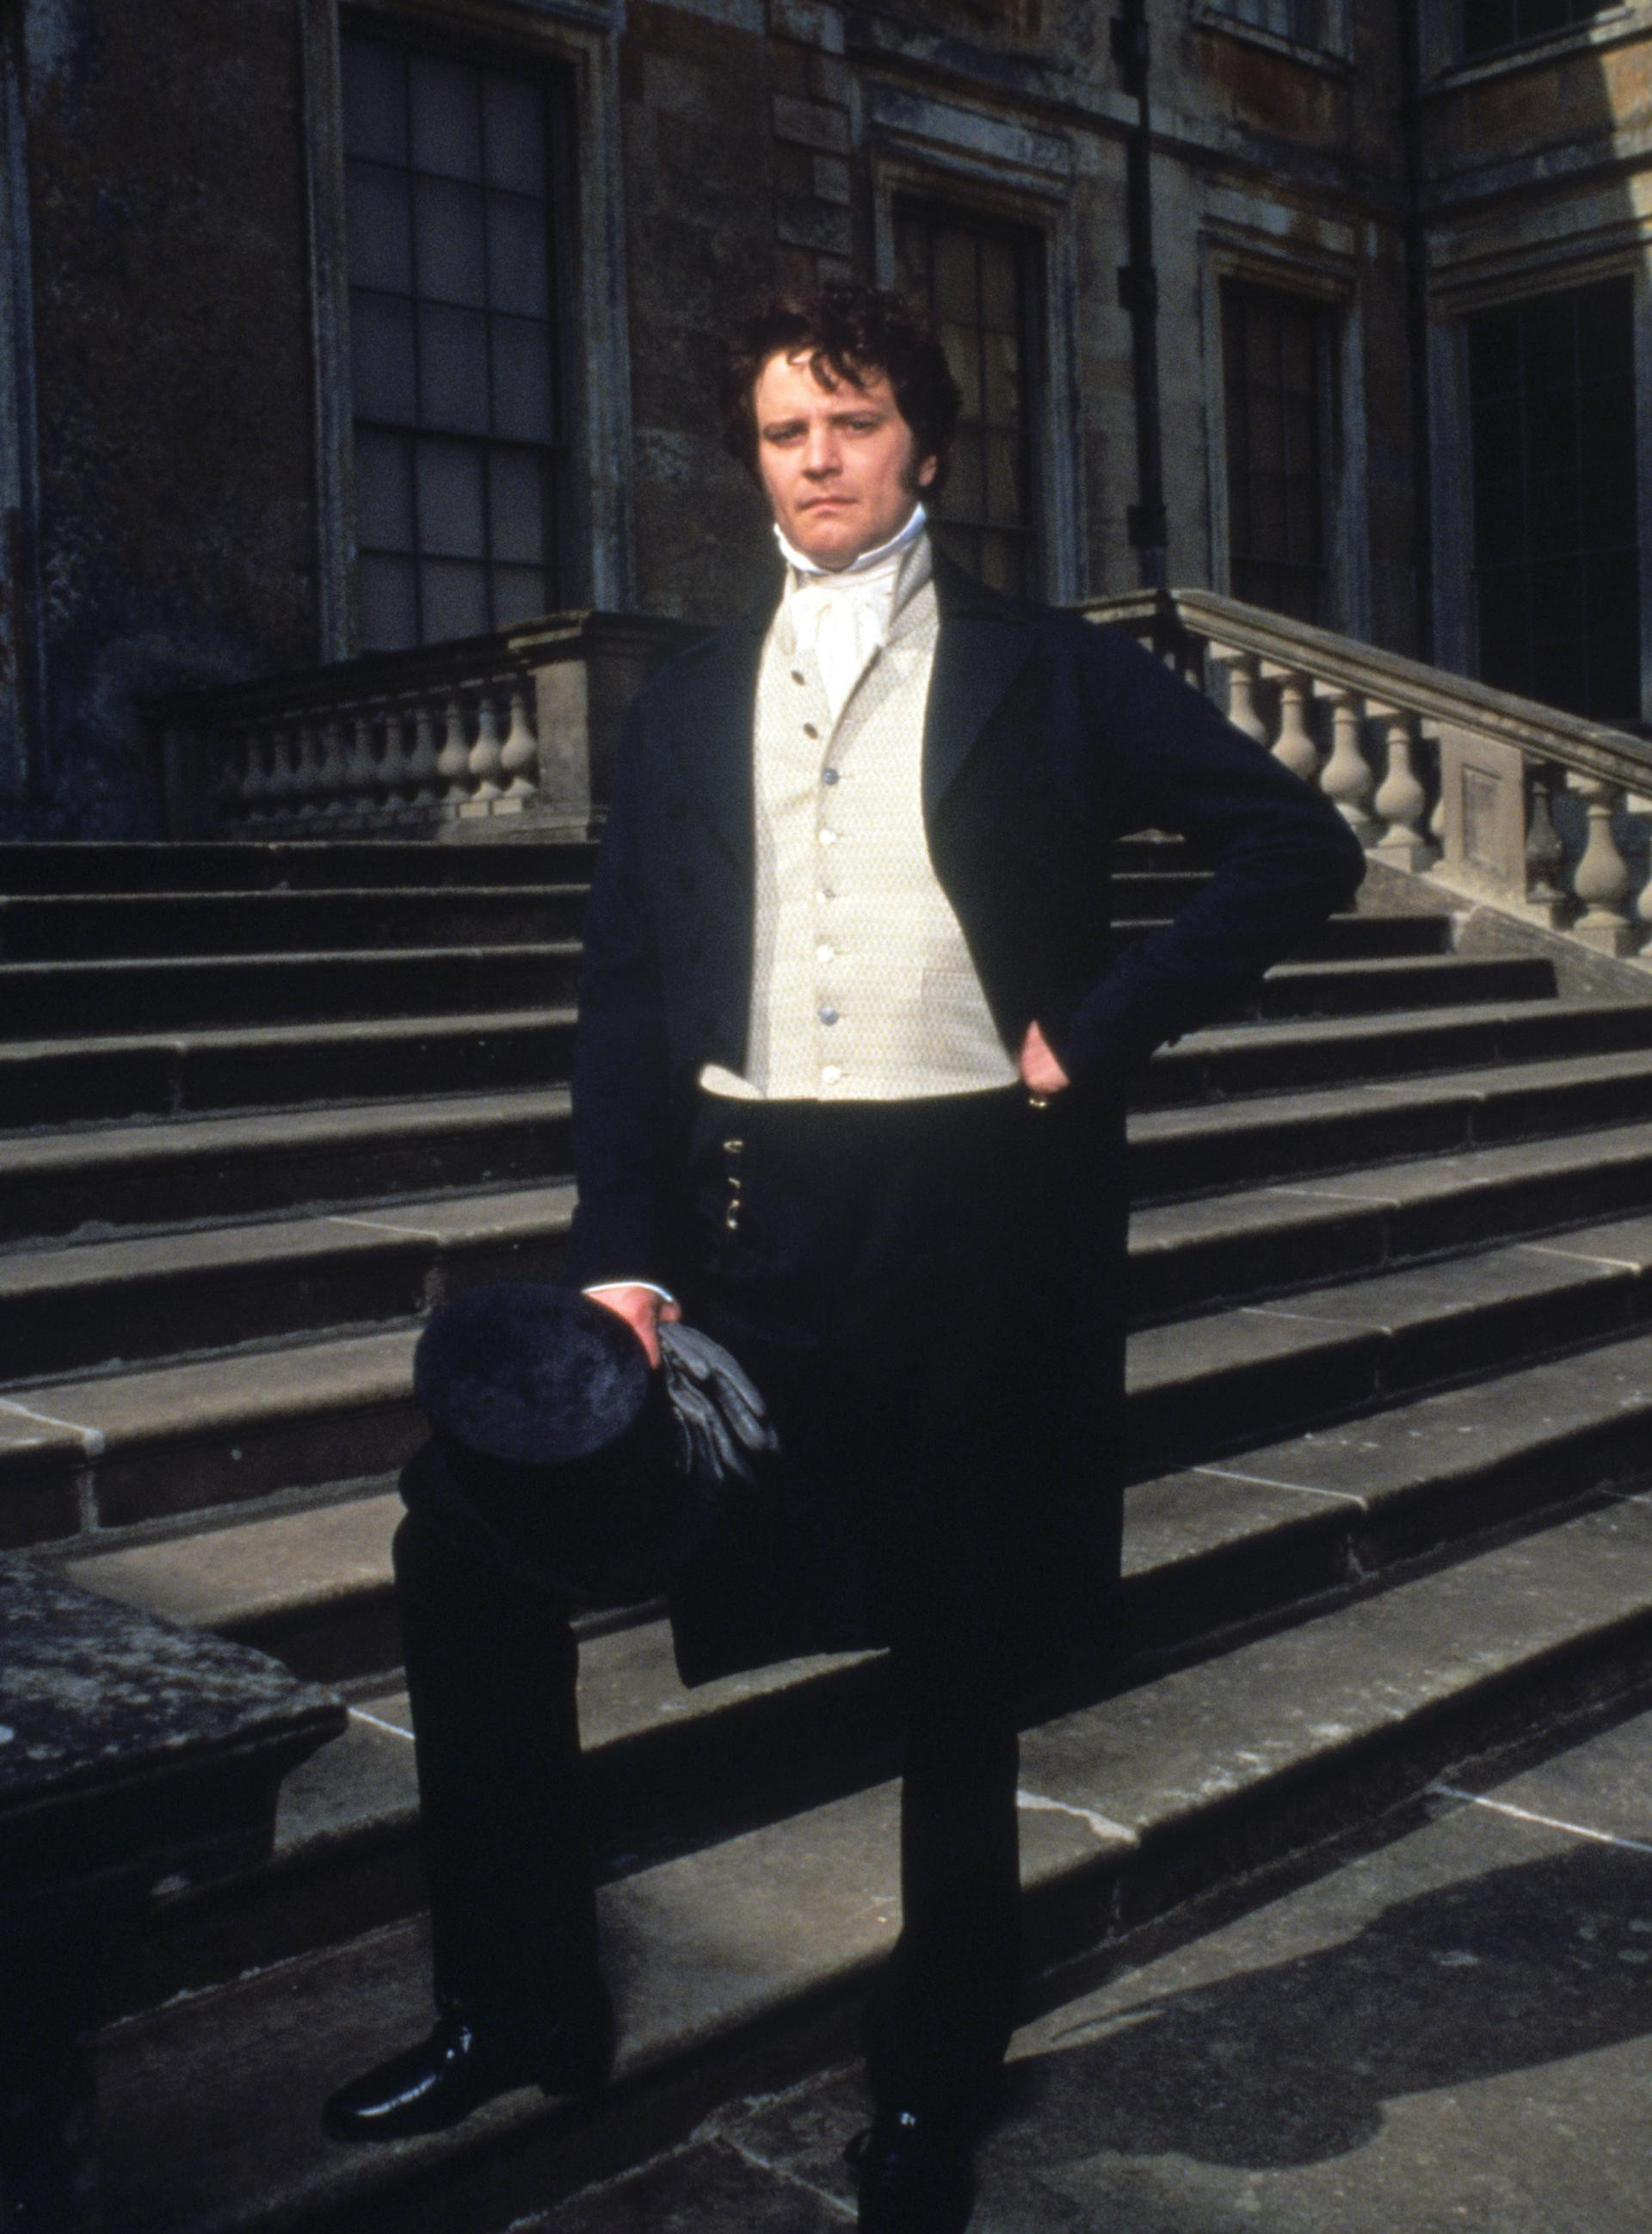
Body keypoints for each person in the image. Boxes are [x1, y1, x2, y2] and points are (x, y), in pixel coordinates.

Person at [324, 283, 1365, 2232]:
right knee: (460, 1539)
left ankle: (930, 2081)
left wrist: (1096, 1030)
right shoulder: (687, 702)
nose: (819, 461)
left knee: (958, 1663)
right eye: (787, 432)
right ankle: (520, 2002)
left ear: (927, 449)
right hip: (743, 1238)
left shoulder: (1051, 671)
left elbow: (1298, 848)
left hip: (972, 1231)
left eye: (855, 423)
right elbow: (624, 999)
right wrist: (622, 1261)